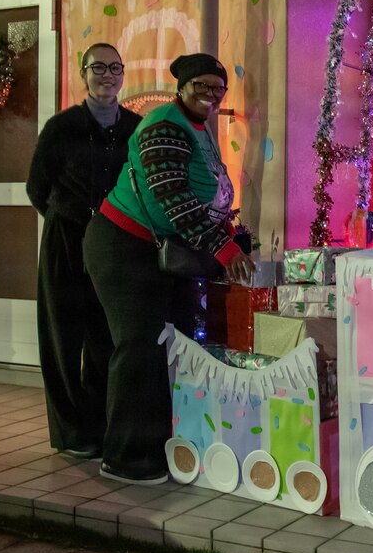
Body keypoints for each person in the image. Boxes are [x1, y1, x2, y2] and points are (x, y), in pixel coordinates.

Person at [83, 53, 254, 485]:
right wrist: (224, 248)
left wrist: (231, 233)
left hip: (158, 250)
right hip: (124, 247)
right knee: (140, 347)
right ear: (182, 87)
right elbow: (171, 197)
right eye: (202, 87)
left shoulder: (199, 129)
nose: (211, 97)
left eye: (218, 89)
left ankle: (167, 446)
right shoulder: (163, 123)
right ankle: (125, 458)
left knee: (172, 344)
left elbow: (204, 194)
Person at [26, 43, 141, 460]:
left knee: (104, 336)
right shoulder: (62, 127)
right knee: (61, 334)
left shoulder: (135, 128)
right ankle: (72, 431)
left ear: (123, 74)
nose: (107, 75)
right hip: (66, 243)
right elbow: (37, 187)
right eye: (98, 68)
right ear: (83, 73)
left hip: (113, 246)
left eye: (115, 68)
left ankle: (100, 424)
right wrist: (68, 219)